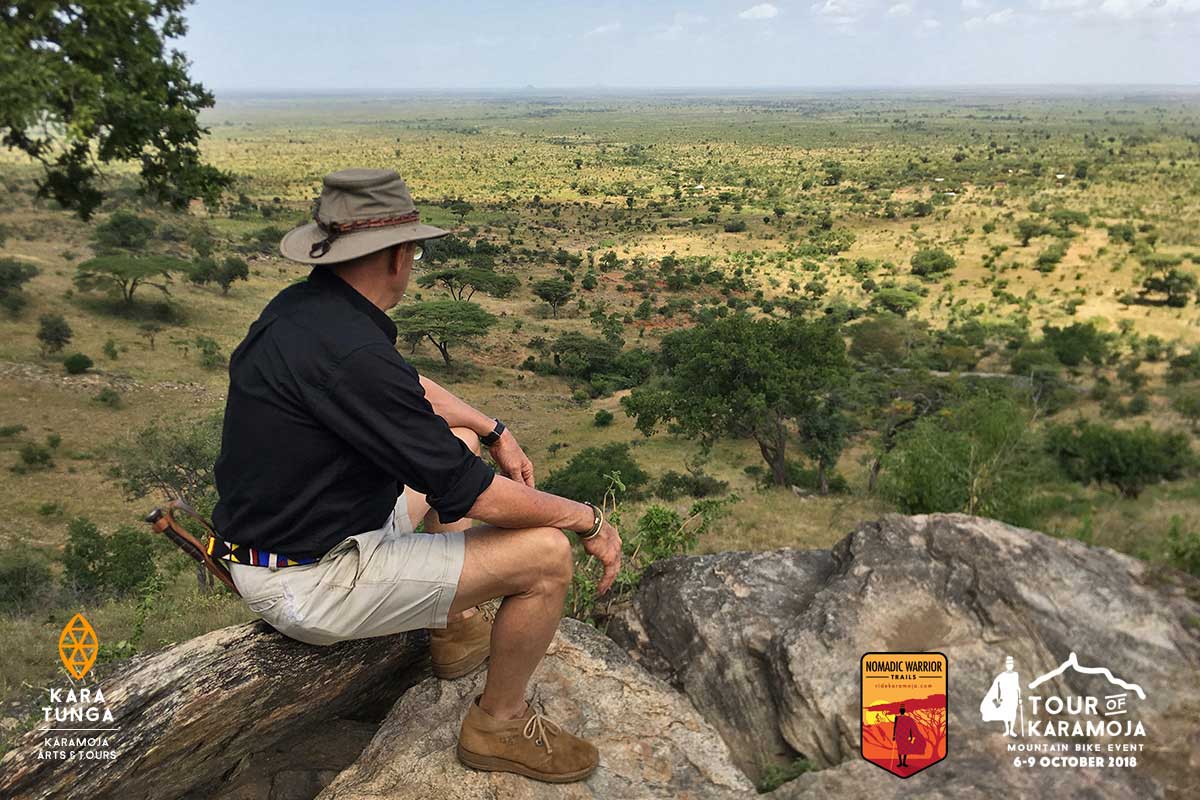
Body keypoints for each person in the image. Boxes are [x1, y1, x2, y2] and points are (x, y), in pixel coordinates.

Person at [211, 168, 622, 783]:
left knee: (454, 440)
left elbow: (404, 388)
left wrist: (490, 429)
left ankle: (454, 629)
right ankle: (499, 724)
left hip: (294, 535)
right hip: (311, 578)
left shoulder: (308, 311)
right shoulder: (349, 352)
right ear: (400, 255)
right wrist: (586, 518)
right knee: (545, 555)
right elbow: (473, 495)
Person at [980, 655, 1021, 736]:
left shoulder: (1015, 674)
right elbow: (997, 686)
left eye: (1011, 664)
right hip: (1005, 695)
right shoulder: (1002, 675)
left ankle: (1011, 730)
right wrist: (998, 697)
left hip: (1013, 696)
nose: (1010, 666)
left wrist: (1019, 697)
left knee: (1012, 713)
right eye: (1008, 664)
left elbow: (1017, 686)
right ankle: (1007, 730)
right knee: (1006, 712)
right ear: (1006, 665)